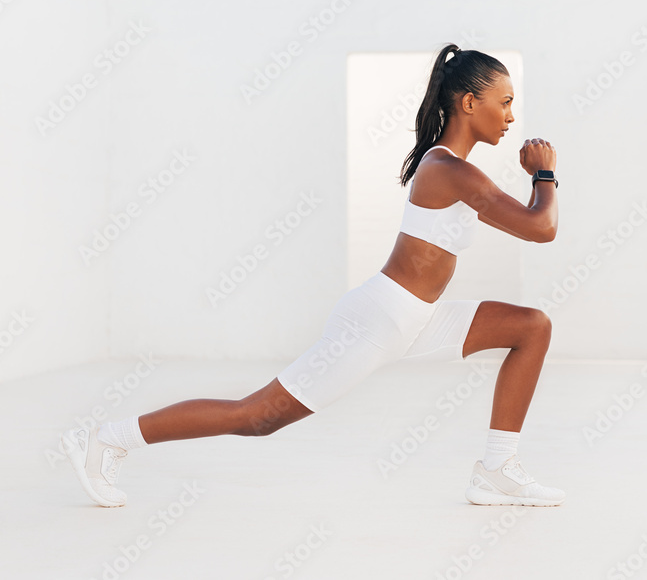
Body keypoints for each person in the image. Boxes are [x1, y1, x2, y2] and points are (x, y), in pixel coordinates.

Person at [61, 43, 563, 508]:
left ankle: (497, 468)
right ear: (470, 103)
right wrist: (543, 172)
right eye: (505, 101)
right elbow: (542, 228)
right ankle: (107, 439)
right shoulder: (449, 169)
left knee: (530, 327)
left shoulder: (456, 169)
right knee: (257, 417)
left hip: (417, 319)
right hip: (378, 321)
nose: (511, 116)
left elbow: (534, 227)